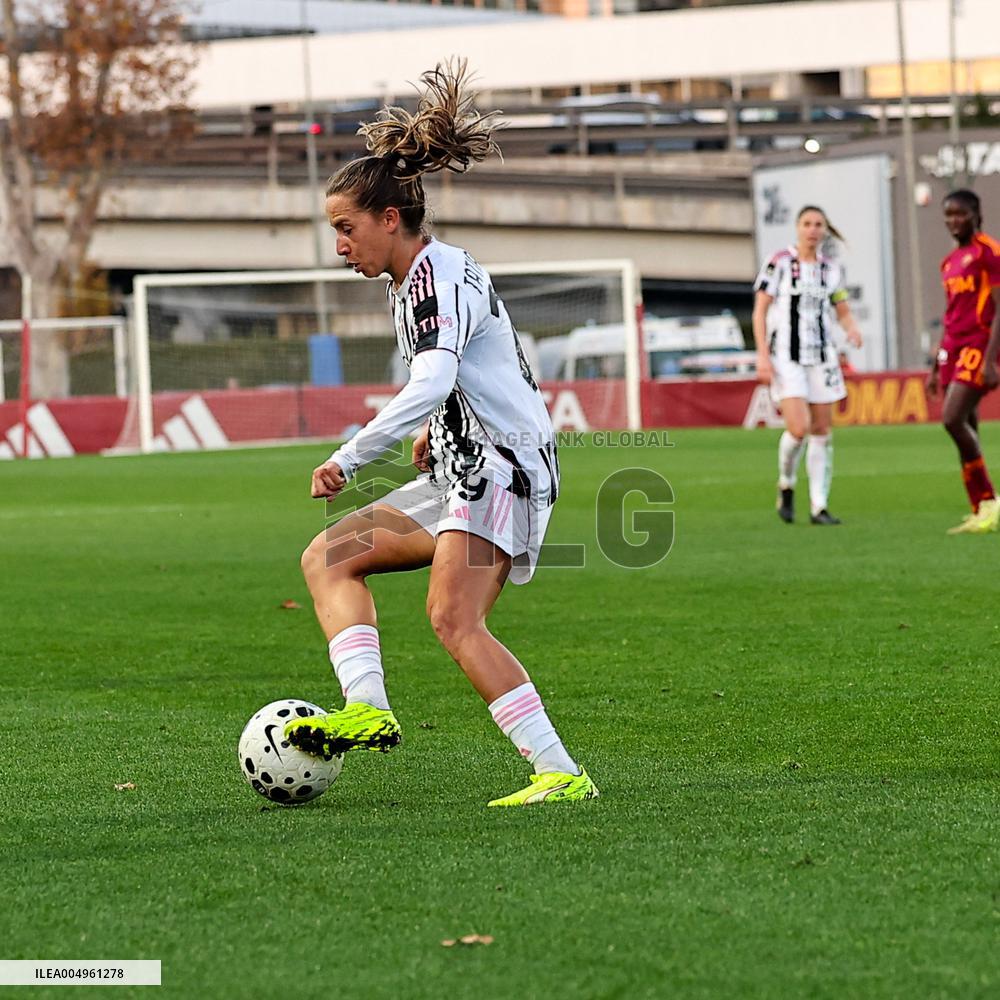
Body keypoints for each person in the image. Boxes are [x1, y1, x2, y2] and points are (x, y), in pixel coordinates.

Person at [282, 61, 598, 808]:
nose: (339, 246)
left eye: (345, 229)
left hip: (503, 468)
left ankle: (560, 772)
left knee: (453, 617)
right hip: (463, 466)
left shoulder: (435, 276)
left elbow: (432, 375)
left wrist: (350, 454)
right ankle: (368, 708)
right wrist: (434, 428)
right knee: (329, 557)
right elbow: (460, 373)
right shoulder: (417, 281)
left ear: (389, 219)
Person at [752, 205, 863, 525]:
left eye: (818, 224)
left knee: (822, 430)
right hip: (786, 356)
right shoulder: (779, 263)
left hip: (822, 357)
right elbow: (760, 310)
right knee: (798, 430)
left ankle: (819, 505)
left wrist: (851, 328)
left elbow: (841, 309)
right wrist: (762, 354)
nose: (813, 229)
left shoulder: (831, 269)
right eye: (807, 224)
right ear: (797, 228)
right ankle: (786, 483)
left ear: (825, 230)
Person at [926, 189, 1000, 534]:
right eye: (949, 215)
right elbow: (951, 313)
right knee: (966, 425)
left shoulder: (989, 252)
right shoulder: (948, 262)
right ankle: (981, 508)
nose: (954, 221)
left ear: (976, 214)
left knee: (952, 419)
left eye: (961, 214)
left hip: (979, 344)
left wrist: (991, 360)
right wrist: (933, 365)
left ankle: (989, 500)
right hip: (952, 348)